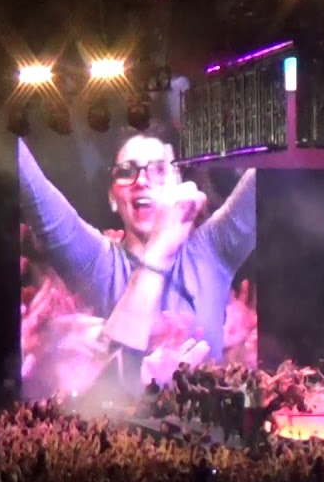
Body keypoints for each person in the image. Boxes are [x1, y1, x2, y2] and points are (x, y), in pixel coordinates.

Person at [18, 132, 256, 389]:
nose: (141, 180)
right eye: (126, 171)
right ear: (112, 197)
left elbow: (262, 175)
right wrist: (159, 249)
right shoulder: (97, 262)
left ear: (177, 185)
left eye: (158, 170)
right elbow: (29, 182)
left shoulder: (212, 250)